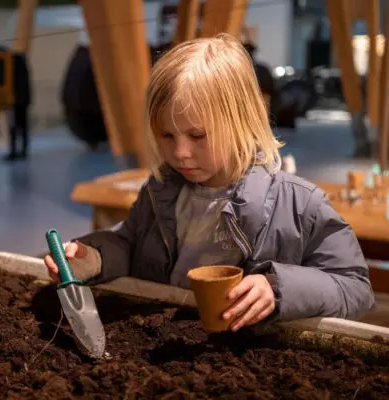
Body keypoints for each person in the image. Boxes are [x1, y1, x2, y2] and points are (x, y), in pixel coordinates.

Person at [44, 34, 374, 331]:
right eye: (166, 135)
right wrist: (94, 257)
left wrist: (278, 288)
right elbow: (130, 243)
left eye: (197, 135)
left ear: (242, 120)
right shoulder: (161, 191)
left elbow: (354, 287)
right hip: (164, 337)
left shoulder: (300, 206)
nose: (180, 152)